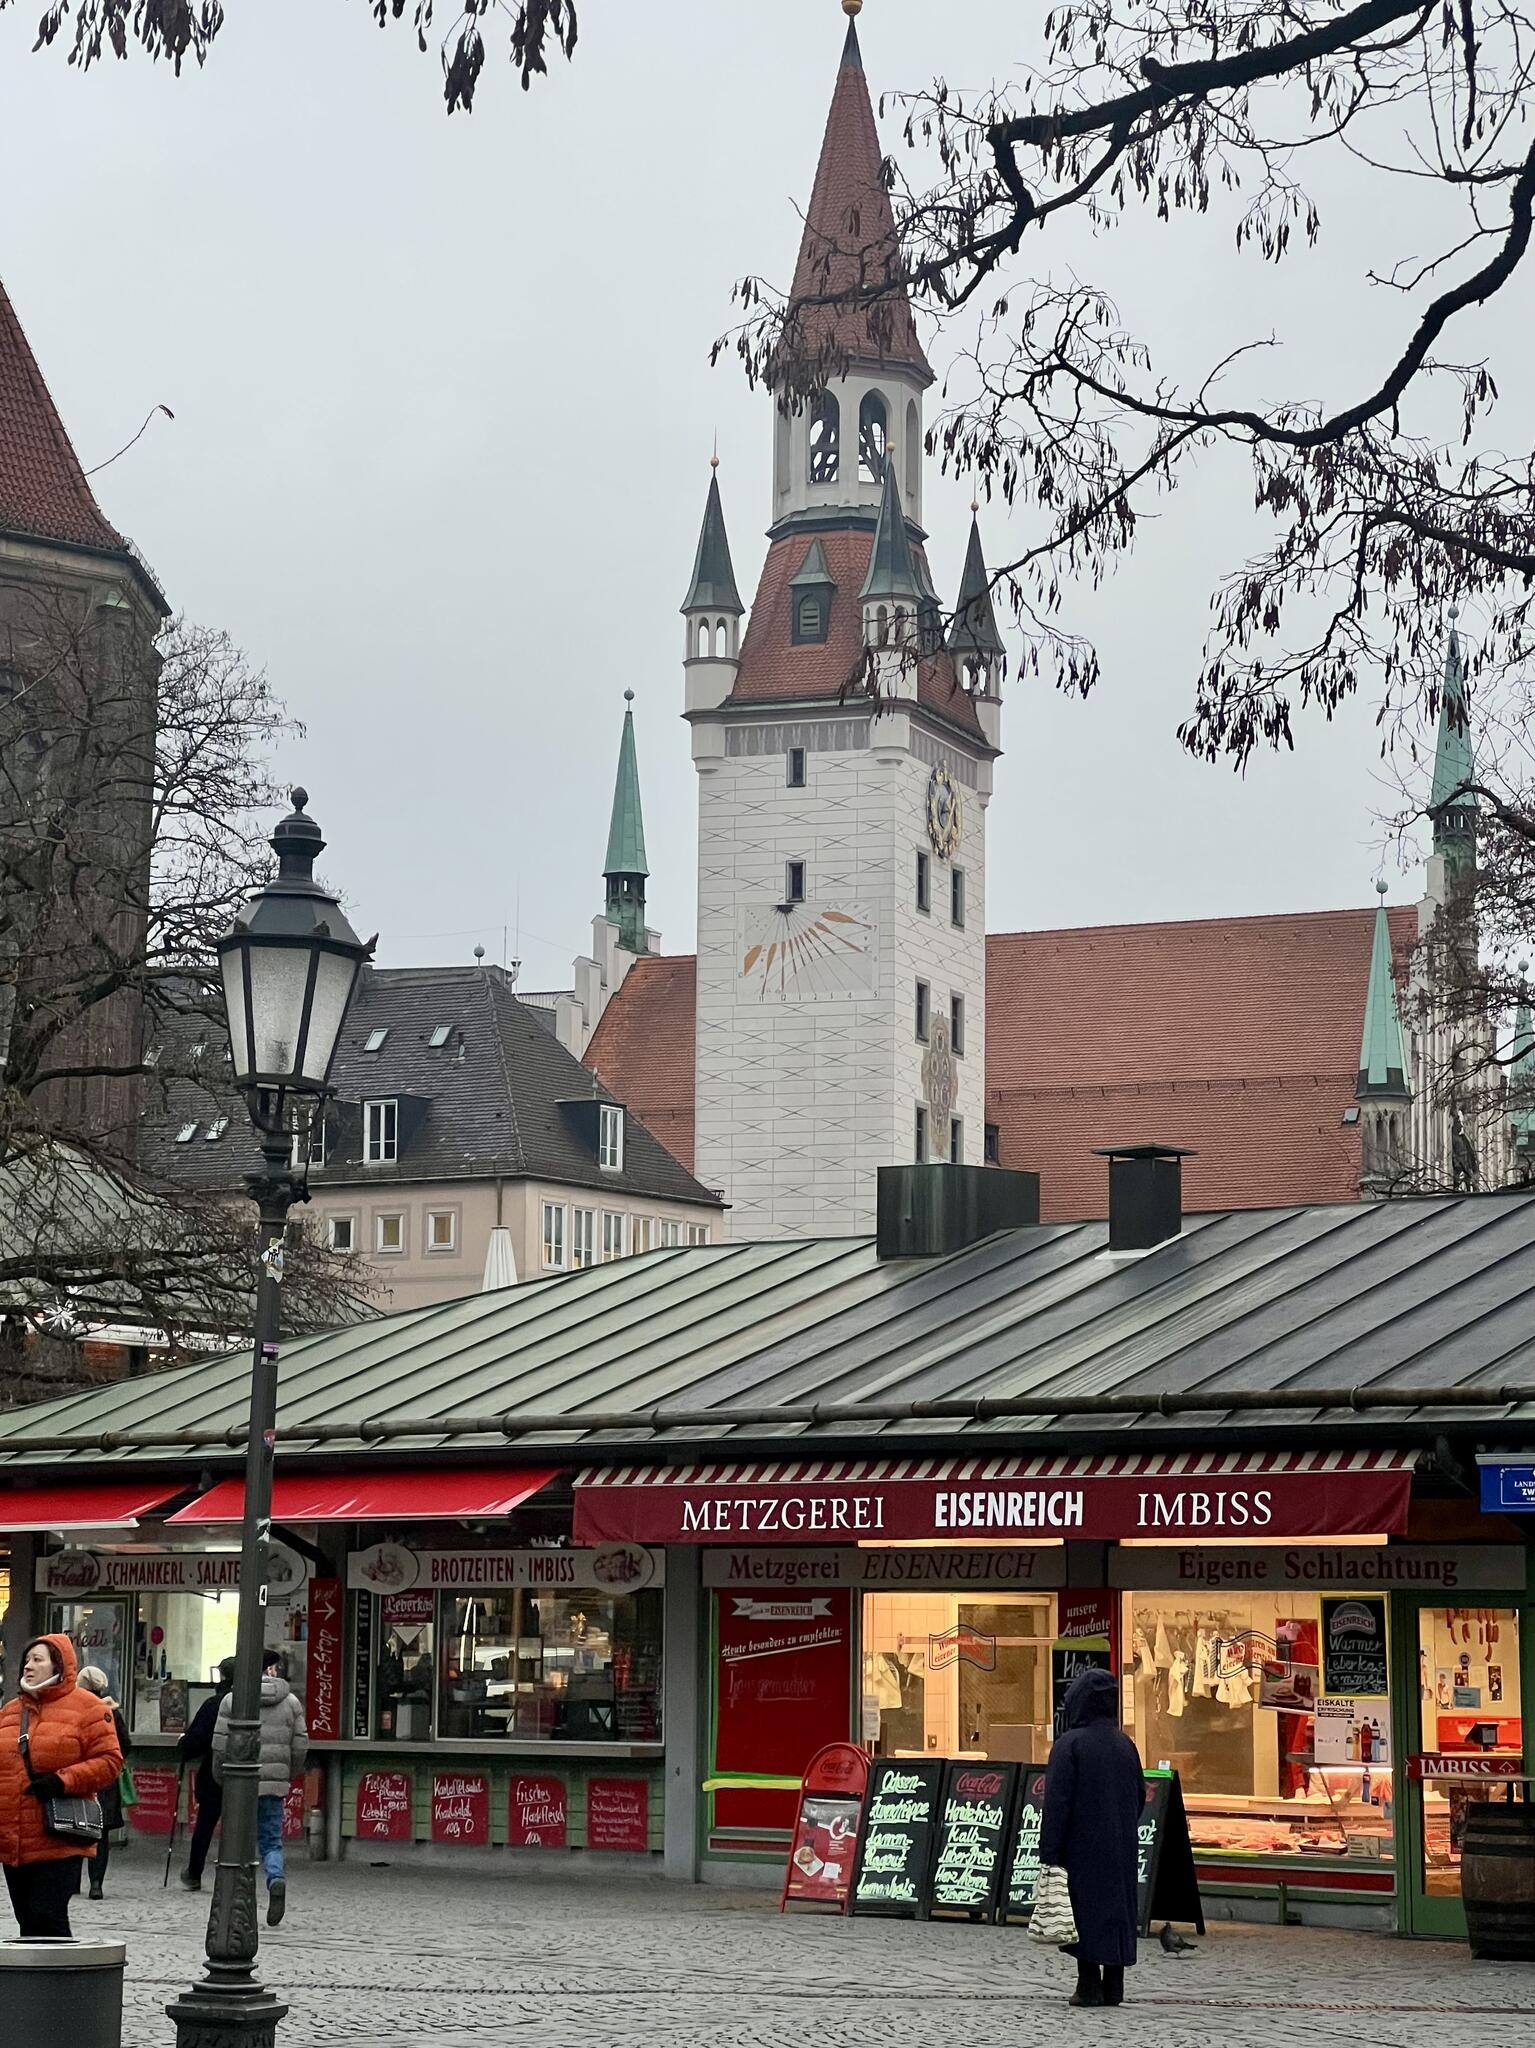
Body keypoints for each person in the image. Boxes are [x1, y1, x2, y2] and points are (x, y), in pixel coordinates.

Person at [0, 1634, 123, 1937]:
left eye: (37, 1660)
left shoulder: (89, 1708)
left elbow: (109, 1762)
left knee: (47, 1919)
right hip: (13, 1839)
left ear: (59, 1664)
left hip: (59, 1836)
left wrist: (61, 1781)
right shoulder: (12, 1711)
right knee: (28, 1921)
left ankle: (58, 1983)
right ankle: (38, 1983)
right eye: (27, 1660)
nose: (28, 1666)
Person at [1040, 1666, 1147, 2009]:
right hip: (1121, 1843)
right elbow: (1140, 1794)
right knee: (1117, 1912)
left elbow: (1057, 1802)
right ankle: (1114, 1985)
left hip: (1081, 1847)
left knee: (1083, 1914)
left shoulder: (1070, 1745)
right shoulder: (1125, 1745)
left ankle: (1088, 1985)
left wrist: (1050, 1852)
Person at [213, 1647, 306, 1926]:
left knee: (237, 1843)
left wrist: (222, 1776)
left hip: (240, 1784)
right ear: (271, 1670)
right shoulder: (290, 1702)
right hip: (274, 1784)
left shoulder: (231, 1700)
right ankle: (275, 1878)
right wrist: (288, 1774)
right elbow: (301, 1745)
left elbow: (219, 1745)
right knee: (271, 1840)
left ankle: (238, 1900)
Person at [178, 1656, 236, 1890]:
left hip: (216, 1774)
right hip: (254, 1777)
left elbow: (197, 1740)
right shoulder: (256, 1703)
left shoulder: (215, 1704)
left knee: (205, 1825)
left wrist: (184, 1746)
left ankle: (194, 1872)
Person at [75, 1667, 131, 1900]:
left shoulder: (76, 1712)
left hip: (80, 1777)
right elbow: (125, 1743)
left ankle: (71, 1882)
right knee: (101, 1834)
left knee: (74, 1828)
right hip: (105, 1778)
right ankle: (96, 1883)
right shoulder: (111, 1712)